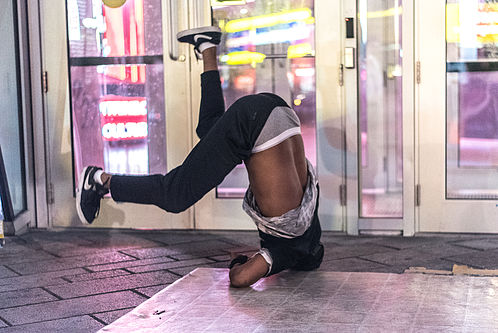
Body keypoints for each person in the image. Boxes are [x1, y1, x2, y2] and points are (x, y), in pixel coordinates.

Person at [76, 26, 324, 288]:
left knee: (209, 130)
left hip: (279, 113)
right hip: (253, 125)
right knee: (175, 195)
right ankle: (100, 180)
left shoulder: (309, 223)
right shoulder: (286, 249)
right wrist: (241, 262)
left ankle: (207, 48)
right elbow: (240, 278)